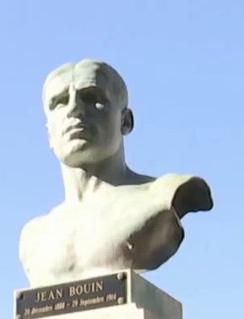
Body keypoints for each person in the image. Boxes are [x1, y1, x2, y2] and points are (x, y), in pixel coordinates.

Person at [19, 60, 213, 286]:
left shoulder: (161, 196)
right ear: (49, 133)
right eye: (59, 102)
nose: (74, 109)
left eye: (91, 97)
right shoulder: (35, 236)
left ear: (125, 121)